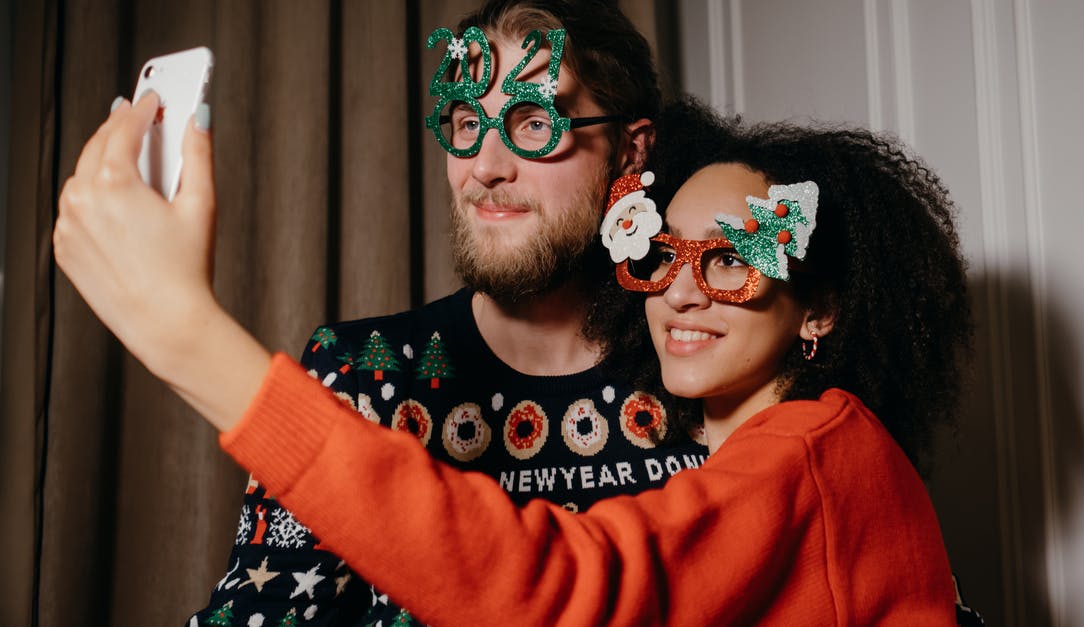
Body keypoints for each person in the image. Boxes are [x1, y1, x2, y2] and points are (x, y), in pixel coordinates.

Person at [57, 90, 973, 623]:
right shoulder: (765, 450)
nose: (683, 291)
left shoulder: (814, 450)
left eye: (732, 258)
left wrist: (189, 340)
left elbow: (554, 589)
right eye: (659, 255)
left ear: (818, 311)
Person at [55, 1, 707, 625]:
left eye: (535, 122)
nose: (483, 167)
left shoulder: (705, 366)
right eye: (464, 121)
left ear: (630, 150)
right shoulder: (359, 376)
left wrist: (183, 334)